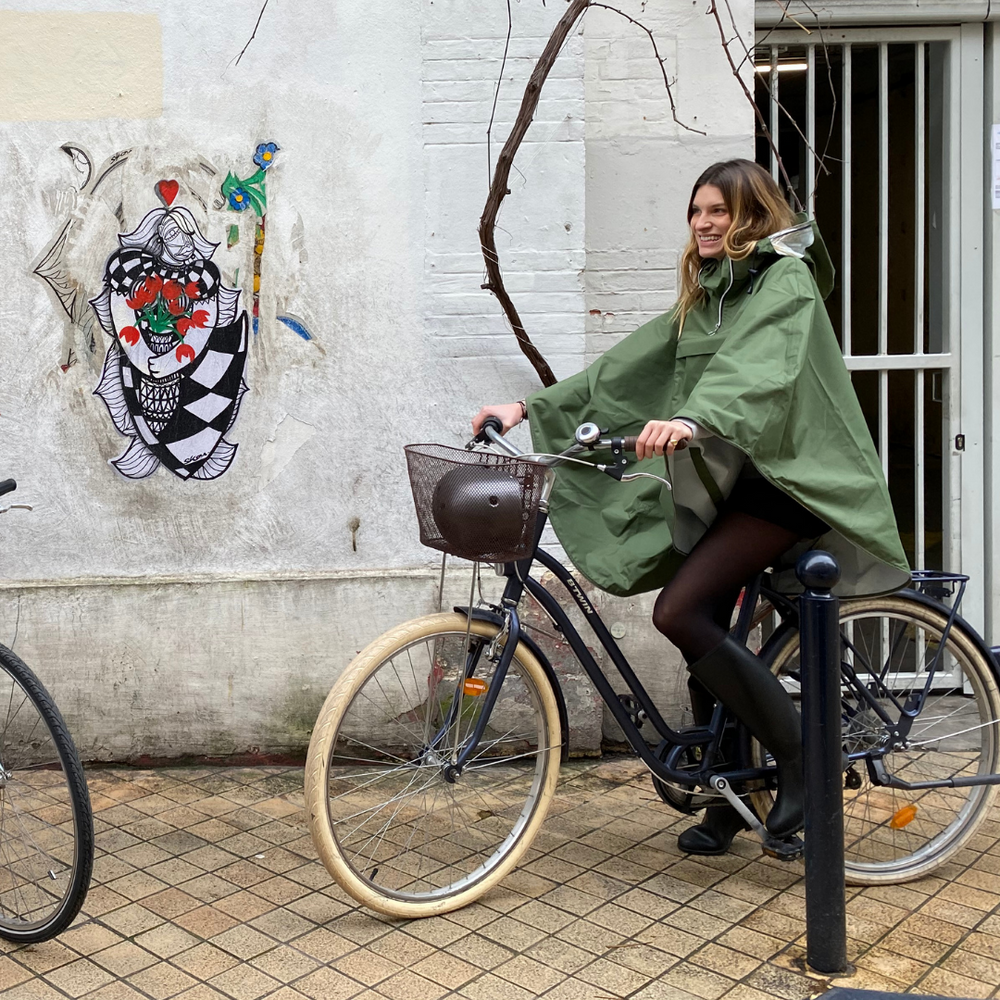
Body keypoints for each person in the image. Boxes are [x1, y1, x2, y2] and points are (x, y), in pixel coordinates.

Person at [472, 158, 910, 855]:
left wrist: (693, 418)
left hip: (790, 483)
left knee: (678, 611)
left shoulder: (783, 281)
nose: (705, 224)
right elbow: (629, 366)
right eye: (696, 212)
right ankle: (730, 796)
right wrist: (527, 406)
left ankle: (806, 762)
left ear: (753, 217)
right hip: (734, 482)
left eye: (720, 212)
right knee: (704, 625)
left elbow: (756, 368)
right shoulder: (708, 292)